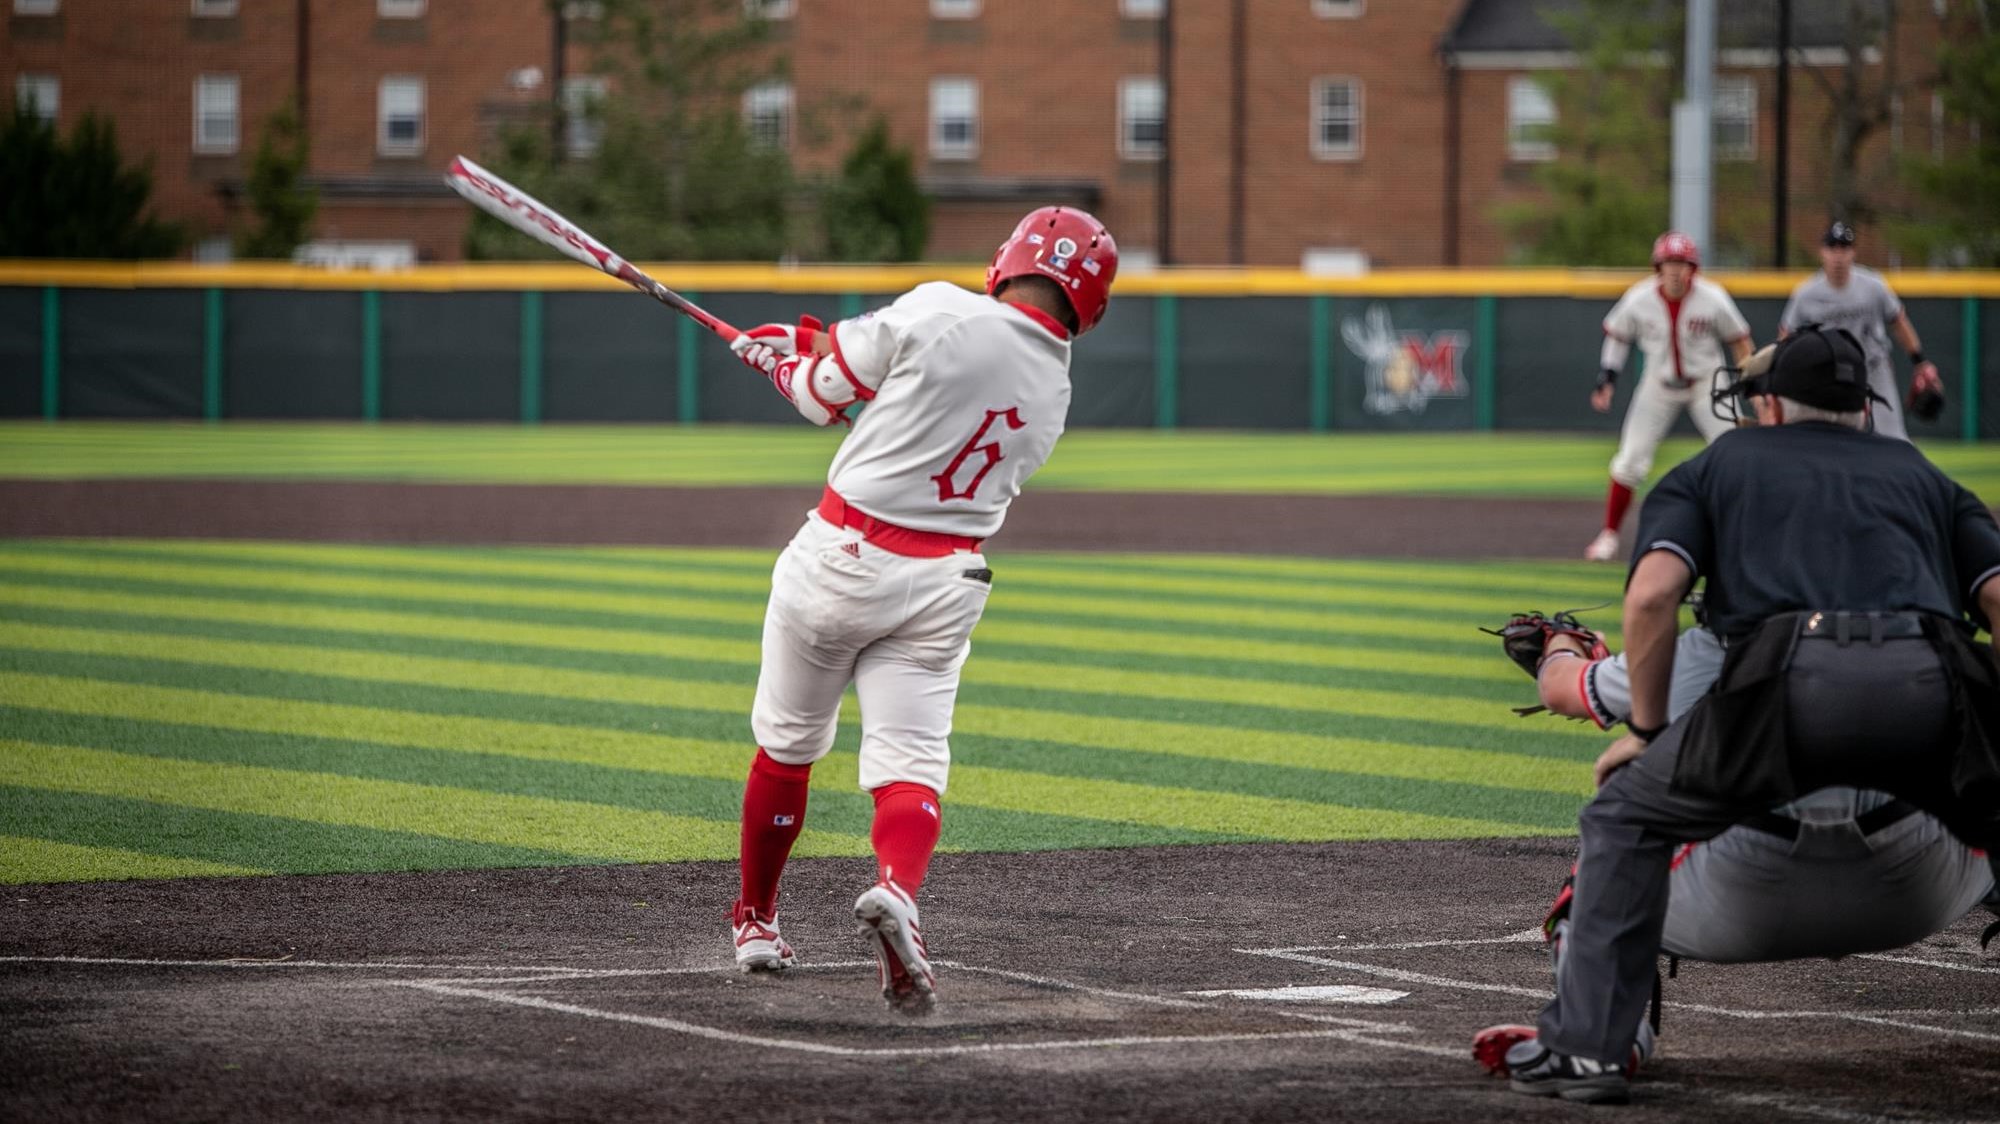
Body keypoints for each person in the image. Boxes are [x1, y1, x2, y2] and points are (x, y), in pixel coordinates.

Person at [1500, 325, 2000, 1104]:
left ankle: (1594, 1046)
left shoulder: (1719, 474)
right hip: (1924, 728)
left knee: (1621, 817)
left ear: (1768, 405)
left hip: (1780, 711)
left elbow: (1653, 597)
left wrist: (1644, 732)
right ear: (1864, 409)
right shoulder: (1923, 475)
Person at [723, 207, 1118, 1016]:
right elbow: (915, 413)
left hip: (840, 560)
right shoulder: (1055, 387)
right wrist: (812, 349)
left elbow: (819, 398)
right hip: (945, 582)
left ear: (1008, 260)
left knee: (788, 748)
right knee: (910, 761)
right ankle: (899, 891)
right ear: (1088, 302)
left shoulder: (942, 305)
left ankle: (757, 922)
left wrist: (780, 363)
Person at [1471, 604, 1997, 1081]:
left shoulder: (1705, 648)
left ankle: (1605, 1036)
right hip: (1921, 892)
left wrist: (1562, 644)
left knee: (1616, 827)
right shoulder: (1936, 645)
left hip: (1736, 906)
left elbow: (1560, 688)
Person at [1585, 232, 1755, 562]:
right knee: (1630, 459)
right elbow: (1618, 338)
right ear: (1657, 267)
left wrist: (1749, 383)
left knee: (1735, 453)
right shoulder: (1639, 298)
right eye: (1669, 263)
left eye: (1683, 264)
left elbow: (1740, 341)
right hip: (1659, 384)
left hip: (1707, 382)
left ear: (1694, 268)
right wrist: (1607, 378)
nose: (1676, 271)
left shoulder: (1713, 298)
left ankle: (1745, 530)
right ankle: (1609, 535)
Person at [1779, 220, 1946, 442]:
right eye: (1832, 248)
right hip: (1829, 375)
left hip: (1873, 369)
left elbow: (1899, 321)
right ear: (1822, 252)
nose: (1838, 255)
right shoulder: (1806, 293)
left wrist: (1920, 362)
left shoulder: (1873, 286)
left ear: (1853, 252)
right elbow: (1786, 337)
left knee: (1892, 438)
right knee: (1832, 439)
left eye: (1844, 248)